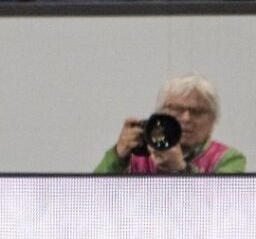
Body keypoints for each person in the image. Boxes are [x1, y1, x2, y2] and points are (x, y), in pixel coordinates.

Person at [94, 74, 246, 174]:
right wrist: (118, 155)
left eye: (197, 112)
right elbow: (94, 198)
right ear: (160, 114)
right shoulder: (137, 153)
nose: (186, 118)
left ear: (214, 119)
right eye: (177, 110)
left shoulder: (228, 158)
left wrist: (181, 170)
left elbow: (222, 207)